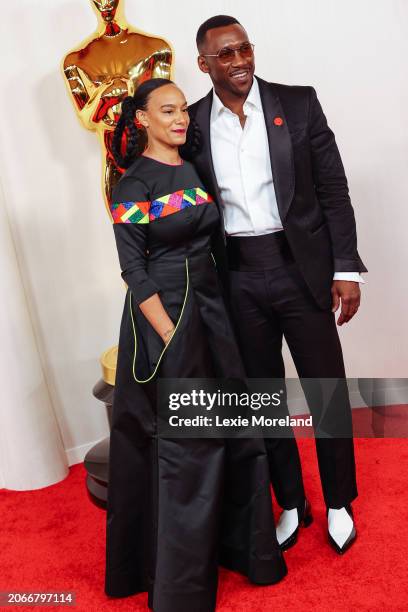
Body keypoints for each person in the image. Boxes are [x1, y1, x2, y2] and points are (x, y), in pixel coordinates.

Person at [183, 15, 367, 555]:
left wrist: (346, 269)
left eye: (245, 49)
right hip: (236, 276)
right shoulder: (192, 125)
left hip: (300, 270)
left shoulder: (299, 103)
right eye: (225, 54)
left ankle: (338, 502)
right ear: (204, 64)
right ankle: (290, 499)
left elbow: (333, 190)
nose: (239, 61)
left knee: (324, 390)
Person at [104, 78, 287, 612]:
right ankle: (181, 586)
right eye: (168, 110)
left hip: (213, 310)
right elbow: (133, 272)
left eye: (183, 108)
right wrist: (168, 333)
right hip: (169, 317)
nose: (181, 117)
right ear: (142, 120)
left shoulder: (192, 168)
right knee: (187, 442)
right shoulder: (131, 186)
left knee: (235, 427)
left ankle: (244, 549)